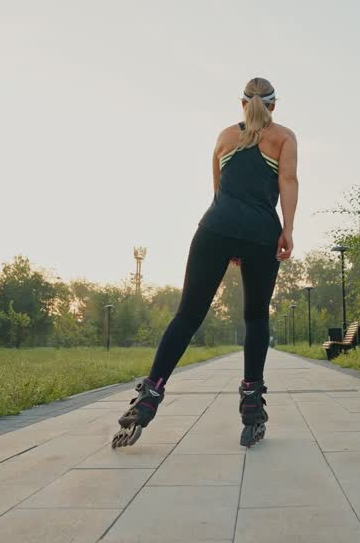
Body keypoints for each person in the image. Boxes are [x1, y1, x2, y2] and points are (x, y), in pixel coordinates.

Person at [113, 77, 297, 449]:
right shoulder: (284, 137)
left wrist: (228, 235)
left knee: (187, 315)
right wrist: (288, 231)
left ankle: (150, 393)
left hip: (215, 228)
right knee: (256, 317)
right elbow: (289, 181)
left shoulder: (225, 136)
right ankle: (250, 402)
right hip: (262, 232)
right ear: (274, 105)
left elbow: (218, 189)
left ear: (242, 104)